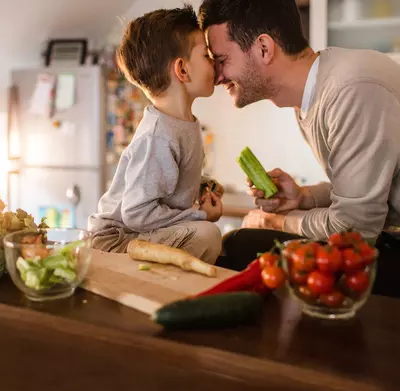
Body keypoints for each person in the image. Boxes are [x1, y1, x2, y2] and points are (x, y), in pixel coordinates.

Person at [198, 0, 400, 294]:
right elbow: (370, 190)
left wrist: (275, 221)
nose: (216, 77)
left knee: (241, 244)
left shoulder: (350, 90)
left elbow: (355, 231)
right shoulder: (313, 95)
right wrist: (305, 197)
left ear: (264, 49)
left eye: (221, 60)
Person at [88, 5, 224, 264]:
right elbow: (137, 212)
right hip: (116, 239)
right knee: (207, 234)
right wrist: (200, 216)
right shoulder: (158, 135)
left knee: (207, 236)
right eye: (206, 55)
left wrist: (202, 184)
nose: (215, 62)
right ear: (182, 70)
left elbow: (167, 182)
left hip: (137, 231)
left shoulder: (182, 124)